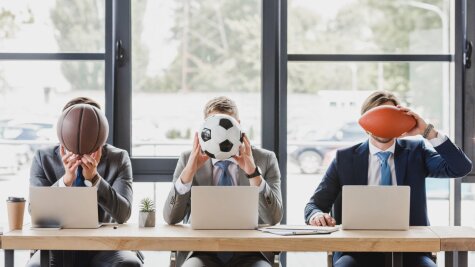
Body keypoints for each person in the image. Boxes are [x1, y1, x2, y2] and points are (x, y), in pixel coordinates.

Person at [304, 91, 472, 267]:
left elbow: (461, 167)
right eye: (377, 116)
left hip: (411, 251)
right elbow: (313, 206)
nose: (383, 122)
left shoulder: (416, 152)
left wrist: (427, 131)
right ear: (365, 124)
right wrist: (317, 215)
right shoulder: (344, 159)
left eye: (389, 116)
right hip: (356, 252)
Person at [163, 96, 283, 267]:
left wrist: (252, 172)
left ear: (239, 127)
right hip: (200, 251)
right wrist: (189, 172)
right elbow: (170, 217)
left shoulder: (265, 159)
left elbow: (274, 218)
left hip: (251, 251)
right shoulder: (187, 159)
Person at [27, 97, 142, 267]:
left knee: (129, 264)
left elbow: (123, 214)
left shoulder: (118, 158)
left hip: (105, 244)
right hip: (55, 244)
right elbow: (35, 211)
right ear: (63, 130)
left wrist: (94, 178)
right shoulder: (43, 158)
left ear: (100, 131)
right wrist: (65, 180)